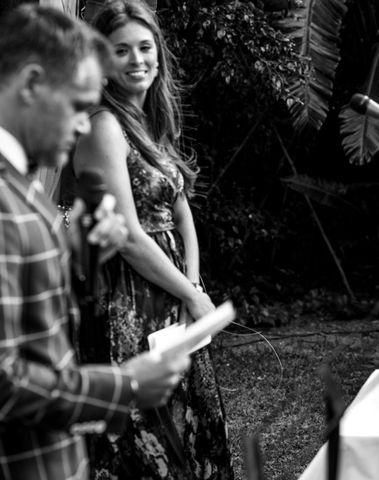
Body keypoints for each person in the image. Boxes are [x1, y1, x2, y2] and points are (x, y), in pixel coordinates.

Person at [0, 5, 191, 480]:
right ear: (31, 85)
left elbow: (33, 320)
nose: (86, 125)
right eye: (76, 105)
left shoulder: (23, 189)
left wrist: (80, 253)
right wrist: (124, 386)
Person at [73, 1, 233, 478]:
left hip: (172, 289)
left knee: (191, 418)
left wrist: (193, 285)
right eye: (121, 50)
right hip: (130, 296)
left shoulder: (152, 126)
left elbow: (181, 211)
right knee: (149, 437)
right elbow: (127, 238)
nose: (137, 59)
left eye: (145, 47)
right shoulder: (105, 126)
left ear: (159, 54)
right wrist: (189, 293)